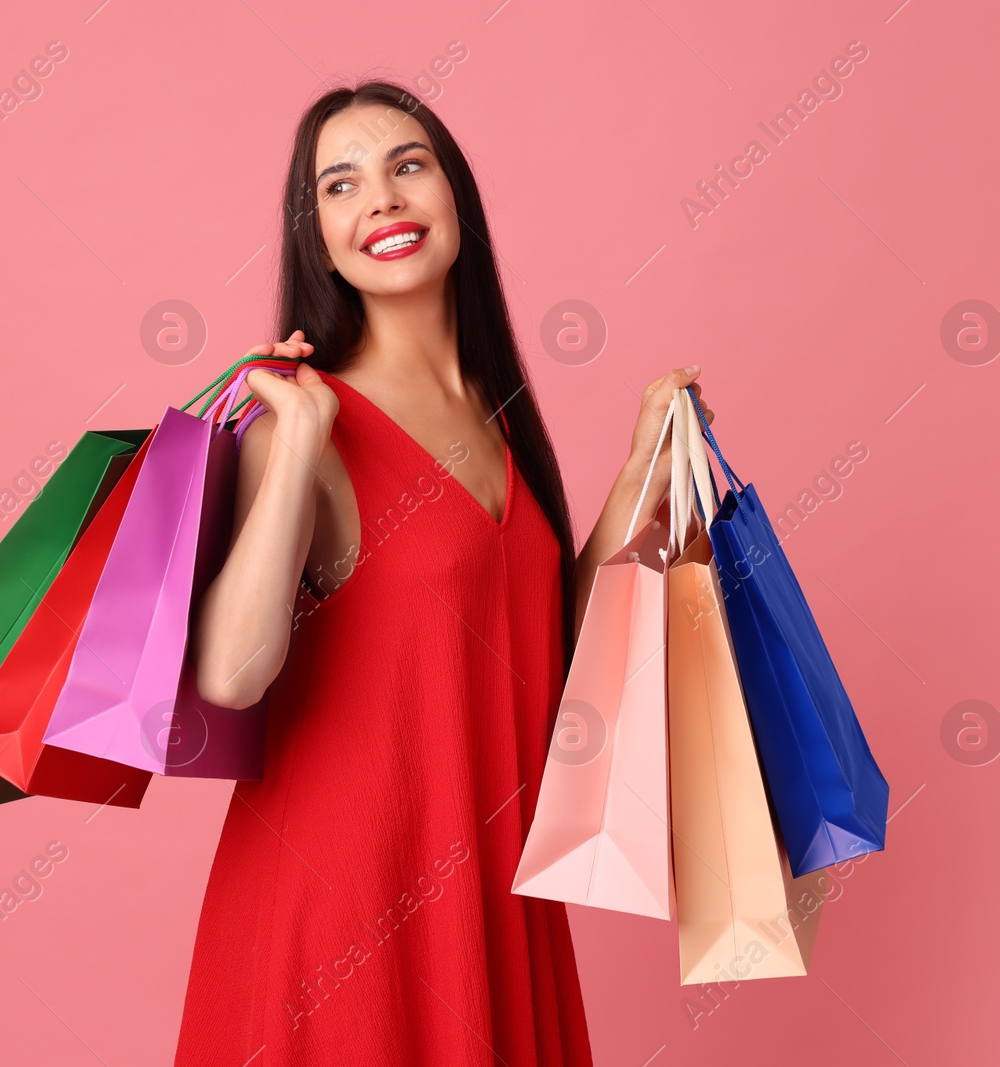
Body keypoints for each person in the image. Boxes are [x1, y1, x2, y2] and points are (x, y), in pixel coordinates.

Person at [174, 79, 709, 1065]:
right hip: (346, 911)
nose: (380, 198)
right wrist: (293, 444)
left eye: (406, 165)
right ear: (318, 239)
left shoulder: (499, 419)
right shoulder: (309, 419)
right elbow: (230, 674)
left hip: (492, 891)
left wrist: (638, 476)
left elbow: (547, 669)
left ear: (454, 194)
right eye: (340, 185)